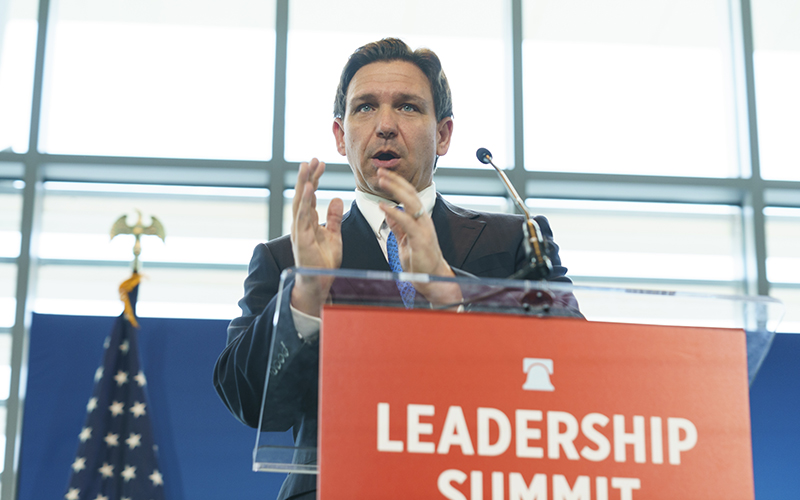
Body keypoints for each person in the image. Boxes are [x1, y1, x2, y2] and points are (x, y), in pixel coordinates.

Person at [213, 38, 573, 500]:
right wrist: (306, 296)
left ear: (443, 134)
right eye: (365, 108)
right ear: (341, 136)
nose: (385, 126)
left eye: (406, 107)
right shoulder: (287, 260)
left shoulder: (515, 241)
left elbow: (569, 366)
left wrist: (450, 295)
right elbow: (252, 403)